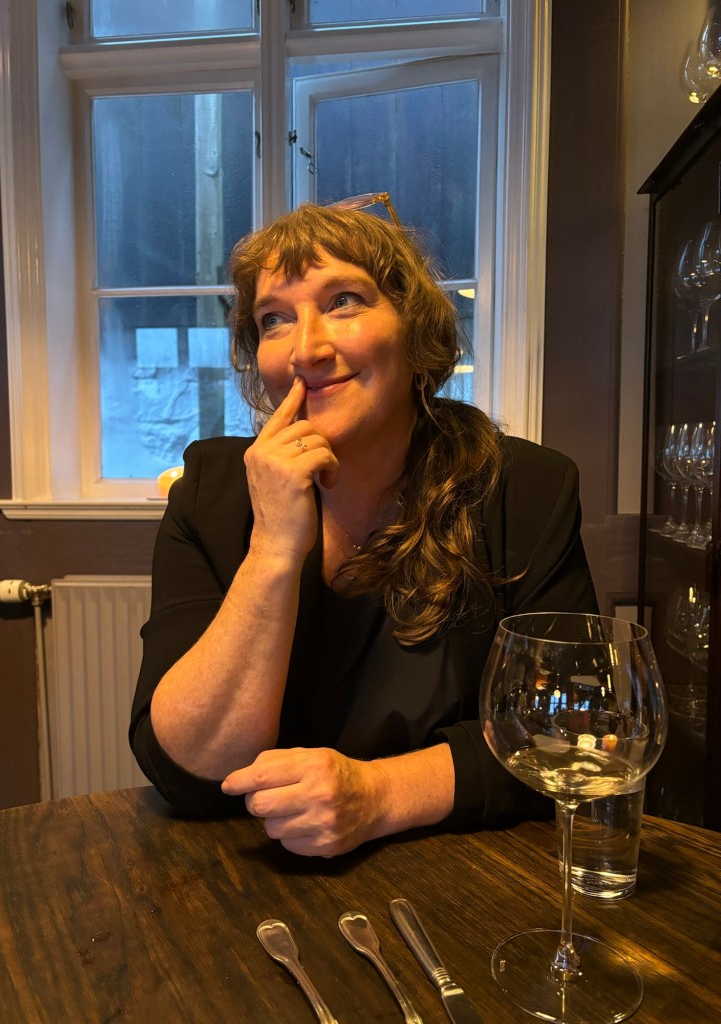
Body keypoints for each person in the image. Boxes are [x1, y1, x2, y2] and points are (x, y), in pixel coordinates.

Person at [129, 201, 598, 858]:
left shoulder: (522, 489)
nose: (307, 349)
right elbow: (189, 772)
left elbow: (572, 731)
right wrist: (272, 548)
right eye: (273, 319)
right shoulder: (211, 494)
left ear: (415, 330)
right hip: (249, 872)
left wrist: (376, 794)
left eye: (343, 302)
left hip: (464, 870)